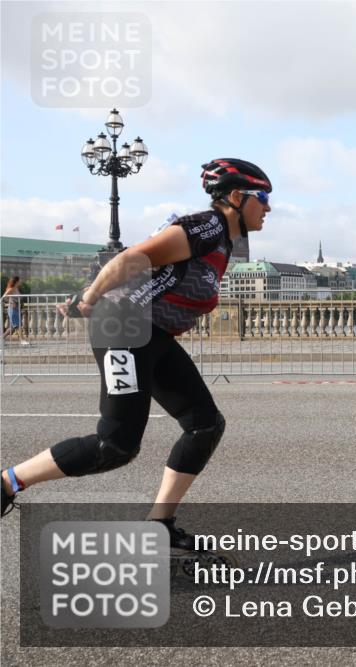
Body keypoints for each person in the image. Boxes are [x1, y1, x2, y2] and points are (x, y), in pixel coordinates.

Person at [1, 159, 272, 550]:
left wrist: (91, 295)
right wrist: (90, 298)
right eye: (262, 197)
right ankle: (6, 483)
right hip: (124, 328)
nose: (268, 207)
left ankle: (159, 526)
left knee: (205, 425)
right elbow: (130, 259)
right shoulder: (207, 227)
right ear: (235, 197)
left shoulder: (224, 241)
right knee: (114, 445)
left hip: (151, 334)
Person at [2, 276, 29, 346]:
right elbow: (3, 298)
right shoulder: (11, 289)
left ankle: (1, 339)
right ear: (16, 281)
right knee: (17, 325)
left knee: (12, 328)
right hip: (12, 310)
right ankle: (22, 340)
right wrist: (11, 302)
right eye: (20, 280)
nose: (21, 281)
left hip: (17, 309)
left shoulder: (16, 288)